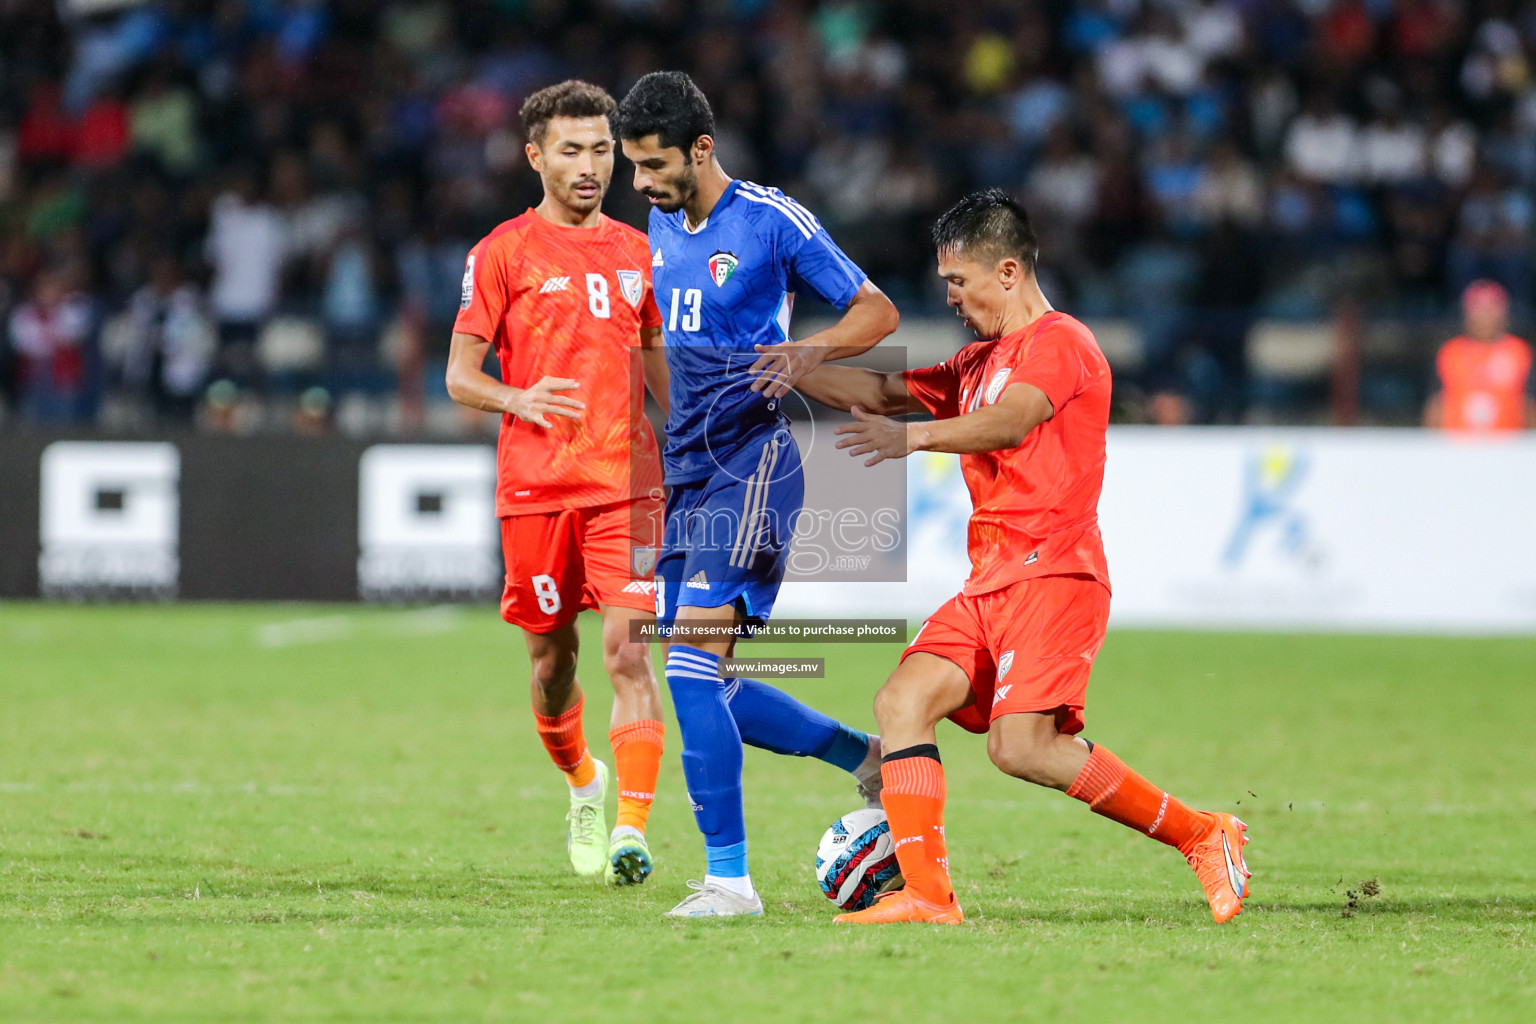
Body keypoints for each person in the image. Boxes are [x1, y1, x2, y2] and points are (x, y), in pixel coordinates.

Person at [795, 189, 1251, 925]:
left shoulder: (1062, 343)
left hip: (1056, 574)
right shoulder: (978, 360)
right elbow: (878, 391)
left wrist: (915, 440)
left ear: (1008, 272)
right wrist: (788, 362)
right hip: (991, 580)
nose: (949, 296)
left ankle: (1204, 834)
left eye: (958, 280)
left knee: (1023, 747)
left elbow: (1012, 421)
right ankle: (927, 897)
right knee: (903, 701)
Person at [613, 71, 901, 917]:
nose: (641, 183)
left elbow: (875, 311)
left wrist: (808, 355)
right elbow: (664, 339)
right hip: (691, 475)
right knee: (716, 682)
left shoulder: (770, 220)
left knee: (693, 666)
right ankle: (865, 755)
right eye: (633, 166)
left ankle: (730, 882)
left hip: (757, 465)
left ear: (702, 149)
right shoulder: (662, 222)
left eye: (653, 164)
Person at [445, 80, 670, 886]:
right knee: (552, 666)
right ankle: (583, 782)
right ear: (535, 155)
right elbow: (460, 376)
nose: (589, 166)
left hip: (628, 484)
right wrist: (518, 396)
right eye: (571, 150)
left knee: (628, 652)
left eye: (602, 149)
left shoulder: (639, 251)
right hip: (537, 489)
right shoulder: (501, 252)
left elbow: (654, 359)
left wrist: (697, 438)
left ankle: (632, 832)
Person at [1424, 280, 1534, 432]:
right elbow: (1436, 403)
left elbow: (1529, 404)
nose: (1484, 317)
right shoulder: (1450, 352)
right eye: (1479, 310)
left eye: (1490, 310)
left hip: (1508, 446)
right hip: (1457, 445)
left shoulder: (1519, 351)